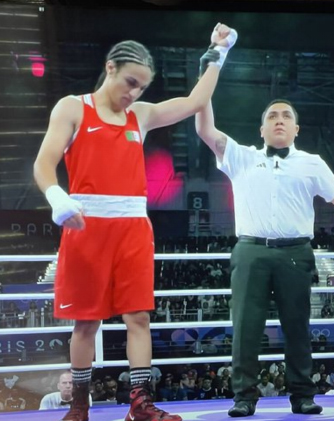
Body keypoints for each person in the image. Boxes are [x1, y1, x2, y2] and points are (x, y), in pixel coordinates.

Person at [33, 23, 237, 421]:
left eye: (141, 87)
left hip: (132, 228)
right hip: (85, 227)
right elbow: (43, 163)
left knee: (138, 316)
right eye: (130, 82)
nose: (134, 93)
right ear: (110, 68)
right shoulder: (73, 107)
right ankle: (78, 405)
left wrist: (219, 52)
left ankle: (140, 405)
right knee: (86, 322)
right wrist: (56, 196)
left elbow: (196, 100)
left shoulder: (139, 116)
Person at [195, 85, 334, 416]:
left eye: (286, 116)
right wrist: (207, 78)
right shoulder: (242, 156)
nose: (279, 120)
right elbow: (204, 129)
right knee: (245, 327)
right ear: (262, 128)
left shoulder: (312, 163)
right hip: (250, 250)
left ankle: (302, 394)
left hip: (295, 252)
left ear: (297, 129)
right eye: (272, 116)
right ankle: (244, 397)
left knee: (298, 325)